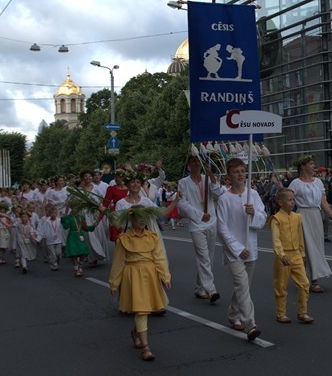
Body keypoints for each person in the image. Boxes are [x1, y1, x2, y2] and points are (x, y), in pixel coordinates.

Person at [109, 206, 171, 362]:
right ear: (132, 219)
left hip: (150, 274)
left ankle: (136, 333)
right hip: (133, 275)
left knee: (145, 308)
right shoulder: (124, 239)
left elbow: (159, 258)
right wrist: (114, 283)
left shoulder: (152, 237)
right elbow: (118, 262)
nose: (143, 221)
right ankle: (146, 348)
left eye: (145, 218)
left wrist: (165, 276)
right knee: (141, 310)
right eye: (139, 218)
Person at [216, 158, 267, 341]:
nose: (240, 174)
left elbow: (262, 219)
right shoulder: (224, 199)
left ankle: (233, 314)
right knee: (242, 285)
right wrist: (237, 249)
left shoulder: (252, 194)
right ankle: (250, 325)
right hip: (234, 251)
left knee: (244, 286)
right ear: (229, 176)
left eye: (242, 171)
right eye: (236, 171)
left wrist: (254, 214)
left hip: (250, 247)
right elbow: (222, 228)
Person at [288, 155, 332, 292]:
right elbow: (288, 201)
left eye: (313, 164)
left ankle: (312, 277)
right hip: (302, 215)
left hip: (316, 215)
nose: (314, 166)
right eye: (311, 164)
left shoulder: (318, 182)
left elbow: (323, 202)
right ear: (302, 166)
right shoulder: (295, 183)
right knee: (306, 248)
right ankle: (310, 280)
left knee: (317, 247)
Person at [177, 155, 225, 303]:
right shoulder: (183, 182)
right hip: (196, 224)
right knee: (203, 257)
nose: (197, 164)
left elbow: (219, 194)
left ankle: (199, 288)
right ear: (189, 165)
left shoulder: (207, 179)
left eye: (198, 161)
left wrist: (213, 180)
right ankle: (211, 290)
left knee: (208, 258)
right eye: (193, 161)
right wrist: (199, 215)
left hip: (211, 223)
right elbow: (181, 203)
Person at [270, 188, 313, 324]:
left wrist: (302, 253)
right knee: (281, 285)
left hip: (296, 255)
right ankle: (281, 313)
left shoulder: (297, 217)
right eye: (289, 200)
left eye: (293, 199)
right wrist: (281, 255)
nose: (293, 202)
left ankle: (302, 312)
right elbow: (276, 240)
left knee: (305, 283)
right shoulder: (276, 219)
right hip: (283, 256)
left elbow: (300, 236)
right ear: (280, 202)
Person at [61, 208, 97, 277]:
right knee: (74, 254)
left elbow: (85, 228)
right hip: (72, 237)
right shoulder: (69, 217)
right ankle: (76, 268)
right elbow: (66, 226)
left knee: (83, 253)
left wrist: (93, 226)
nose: (76, 210)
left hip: (80, 236)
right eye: (74, 208)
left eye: (77, 208)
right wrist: (63, 218)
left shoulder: (81, 218)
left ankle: (80, 266)